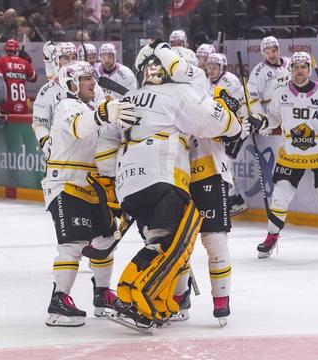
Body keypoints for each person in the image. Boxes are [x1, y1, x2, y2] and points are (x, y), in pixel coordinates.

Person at [96, 40, 242, 330]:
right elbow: (226, 126)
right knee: (172, 246)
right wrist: (227, 114)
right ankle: (129, 297)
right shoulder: (179, 92)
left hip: (129, 183)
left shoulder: (130, 97)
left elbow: (104, 148)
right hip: (164, 176)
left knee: (159, 240)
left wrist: (113, 180)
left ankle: (159, 302)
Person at [42, 61, 136, 327]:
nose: (92, 82)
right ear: (71, 84)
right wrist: (104, 113)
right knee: (72, 245)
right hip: (65, 183)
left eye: (93, 78)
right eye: (85, 78)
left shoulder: (88, 108)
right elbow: (79, 128)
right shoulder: (66, 107)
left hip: (91, 184)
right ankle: (58, 303)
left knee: (106, 240)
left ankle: (102, 294)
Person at [253, 52, 318, 260]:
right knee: (279, 197)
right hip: (291, 155)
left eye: (303, 67)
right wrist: (261, 122)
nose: (300, 71)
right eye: (296, 67)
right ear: (291, 69)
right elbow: (273, 118)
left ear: (310, 68)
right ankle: (272, 236)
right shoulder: (281, 91)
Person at [203, 52, 249, 216]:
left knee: (226, 161)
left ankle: (235, 200)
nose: (211, 70)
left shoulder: (230, 80)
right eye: (209, 67)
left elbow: (240, 105)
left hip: (239, 127)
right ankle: (232, 199)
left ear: (222, 68)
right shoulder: (206, 81)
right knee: (220, 162)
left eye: (214, 67)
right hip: (222, 128)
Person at [247, 36, 290, 116]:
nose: (271, 55)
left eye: (273, 51)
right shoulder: (258, 71)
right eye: (267, 52)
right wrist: (262, 119)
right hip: (272, 113)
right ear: (263, 54)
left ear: (279, 50)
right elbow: (253, 98)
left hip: (291, 108)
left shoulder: (290, 63)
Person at [0, 39, 37, 115]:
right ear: (17, 50)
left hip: (5, 108)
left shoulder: (0, 61)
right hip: (23, 108)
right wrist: (28, 62)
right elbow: (33, 78)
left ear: (5, 49)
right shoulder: (25, 63)